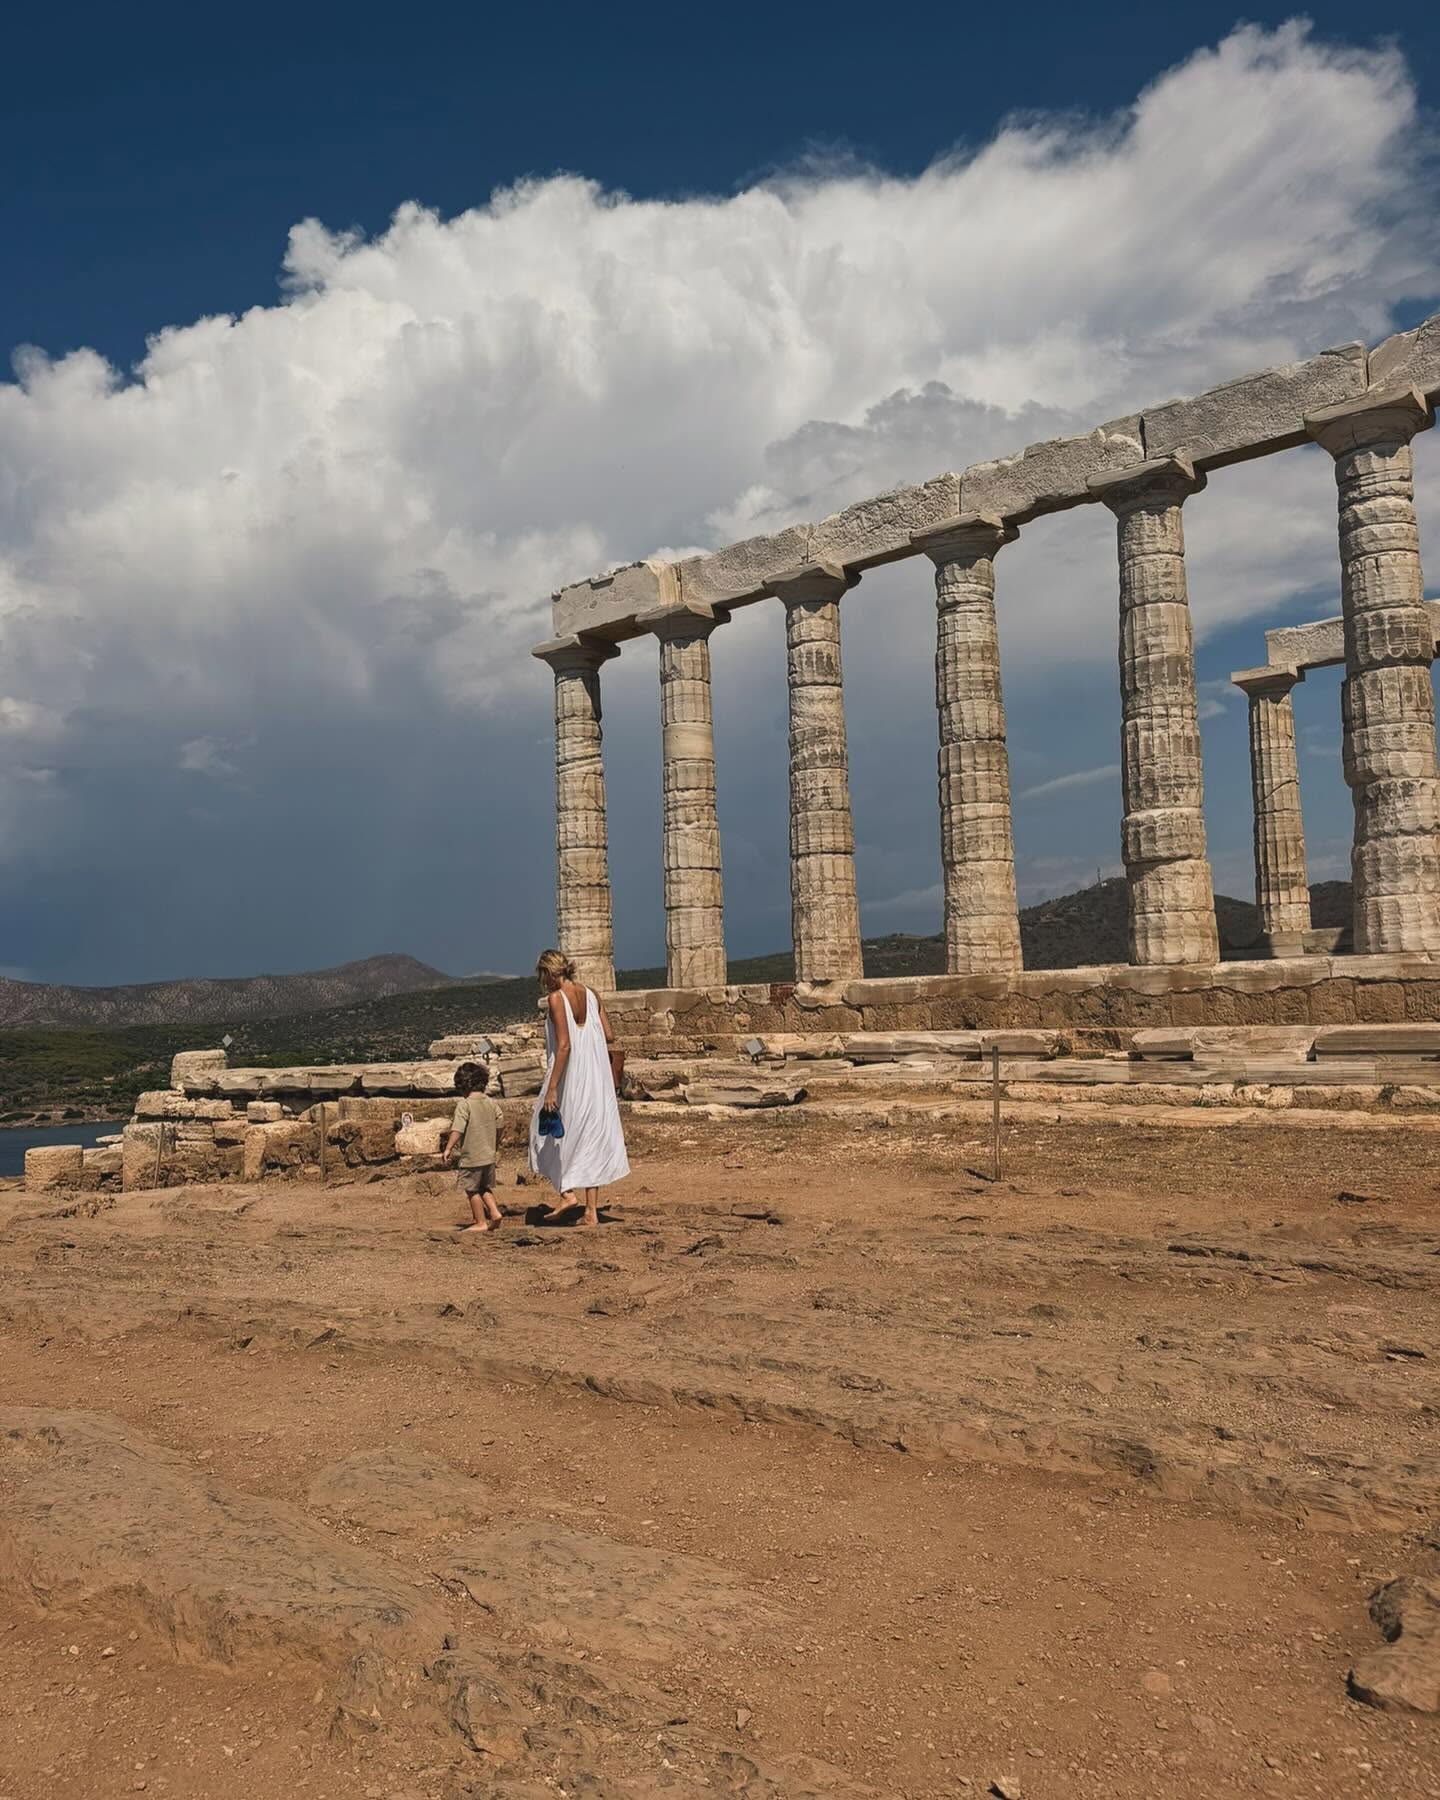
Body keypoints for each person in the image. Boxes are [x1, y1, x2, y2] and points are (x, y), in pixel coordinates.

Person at [529, 948, 628, 1227]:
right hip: (596, 1079)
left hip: (571, 1077)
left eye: (543, 975)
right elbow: (609, 1034)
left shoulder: (556, 999)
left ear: (550, 973)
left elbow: (564, 1045)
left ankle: (567, 1193)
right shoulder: (592, 993)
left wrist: (551, 1088)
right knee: (589, 1139)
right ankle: (591, 1212)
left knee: (541, 1132)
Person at [441, 1060, 505, 1233]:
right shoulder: (491, 1103)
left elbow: (457, 1129)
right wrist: (495, 1142)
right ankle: (495, 1212)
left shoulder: (465, 1105)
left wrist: (448, 1148)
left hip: (472, 1157)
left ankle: (480, 1221)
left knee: (471, 1190)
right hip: (489, 1155)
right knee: (484, 1187)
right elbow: (500, 1124)